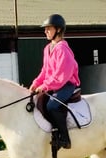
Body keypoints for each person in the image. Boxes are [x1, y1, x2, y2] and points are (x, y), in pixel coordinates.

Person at [30, 14, 80, 149]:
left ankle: (65, 139)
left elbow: (61, 75)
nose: (45, 31)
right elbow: (45, 70)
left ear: (58, 30)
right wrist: (36, 83)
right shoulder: (47, 49)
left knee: (52, 106)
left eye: (48, 28)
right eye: (45, 29)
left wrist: (45, 86)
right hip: (54, 84)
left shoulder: (62, 49)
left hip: (66, 84)